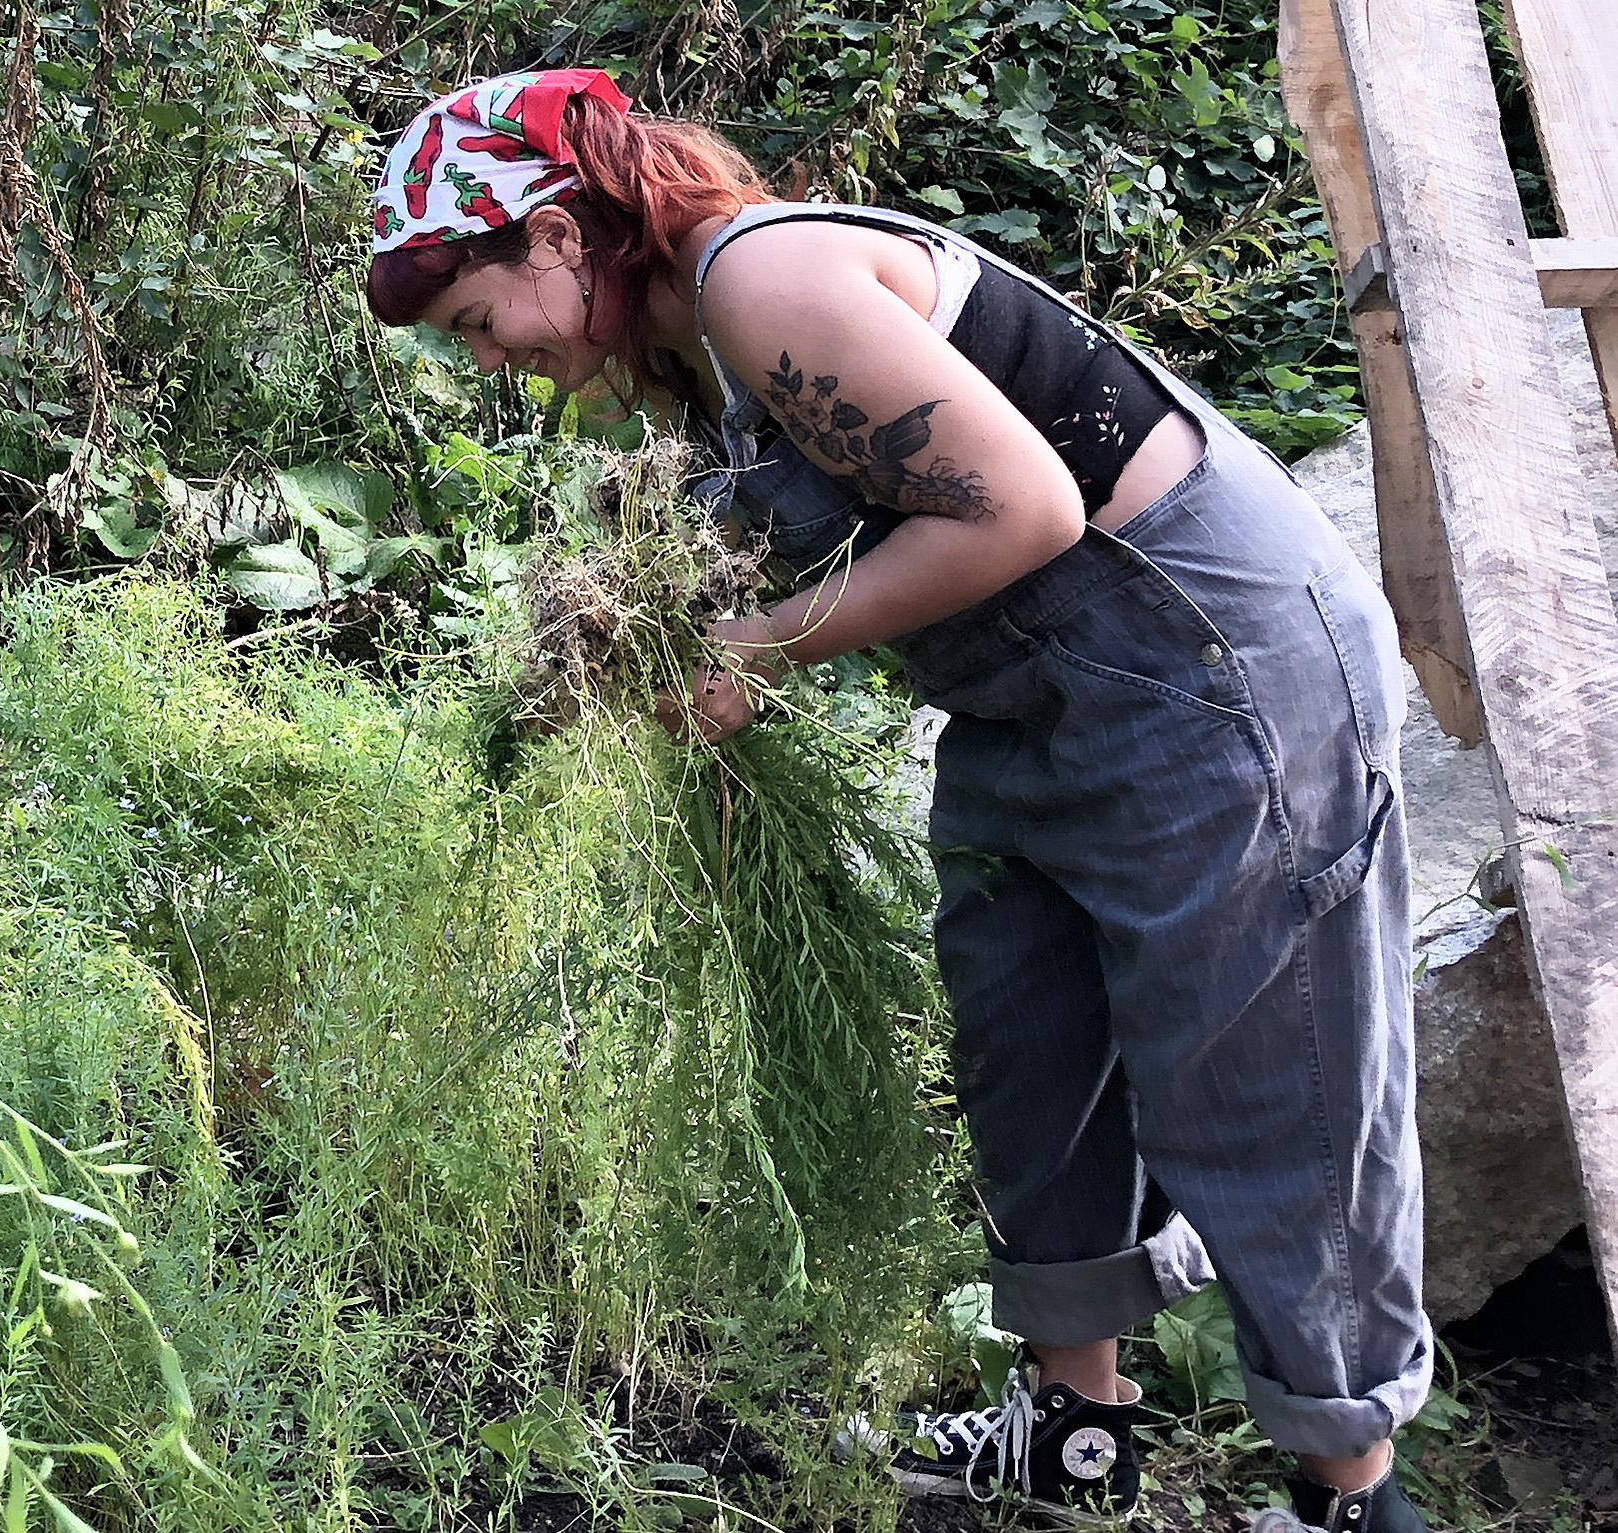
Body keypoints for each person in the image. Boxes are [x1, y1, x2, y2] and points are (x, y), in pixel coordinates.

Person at [365, 68, 1435, 1532]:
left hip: (1207, 662)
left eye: (476, 321)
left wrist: (753, 651)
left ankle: (1350, 1489)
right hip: (1035, 694)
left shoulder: (765, 278)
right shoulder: (689, 361)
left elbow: (1025, 506)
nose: (492, 360)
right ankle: (1073, 1431)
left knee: (1259, 1085)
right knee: (1026, 1043)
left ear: (553, 232)